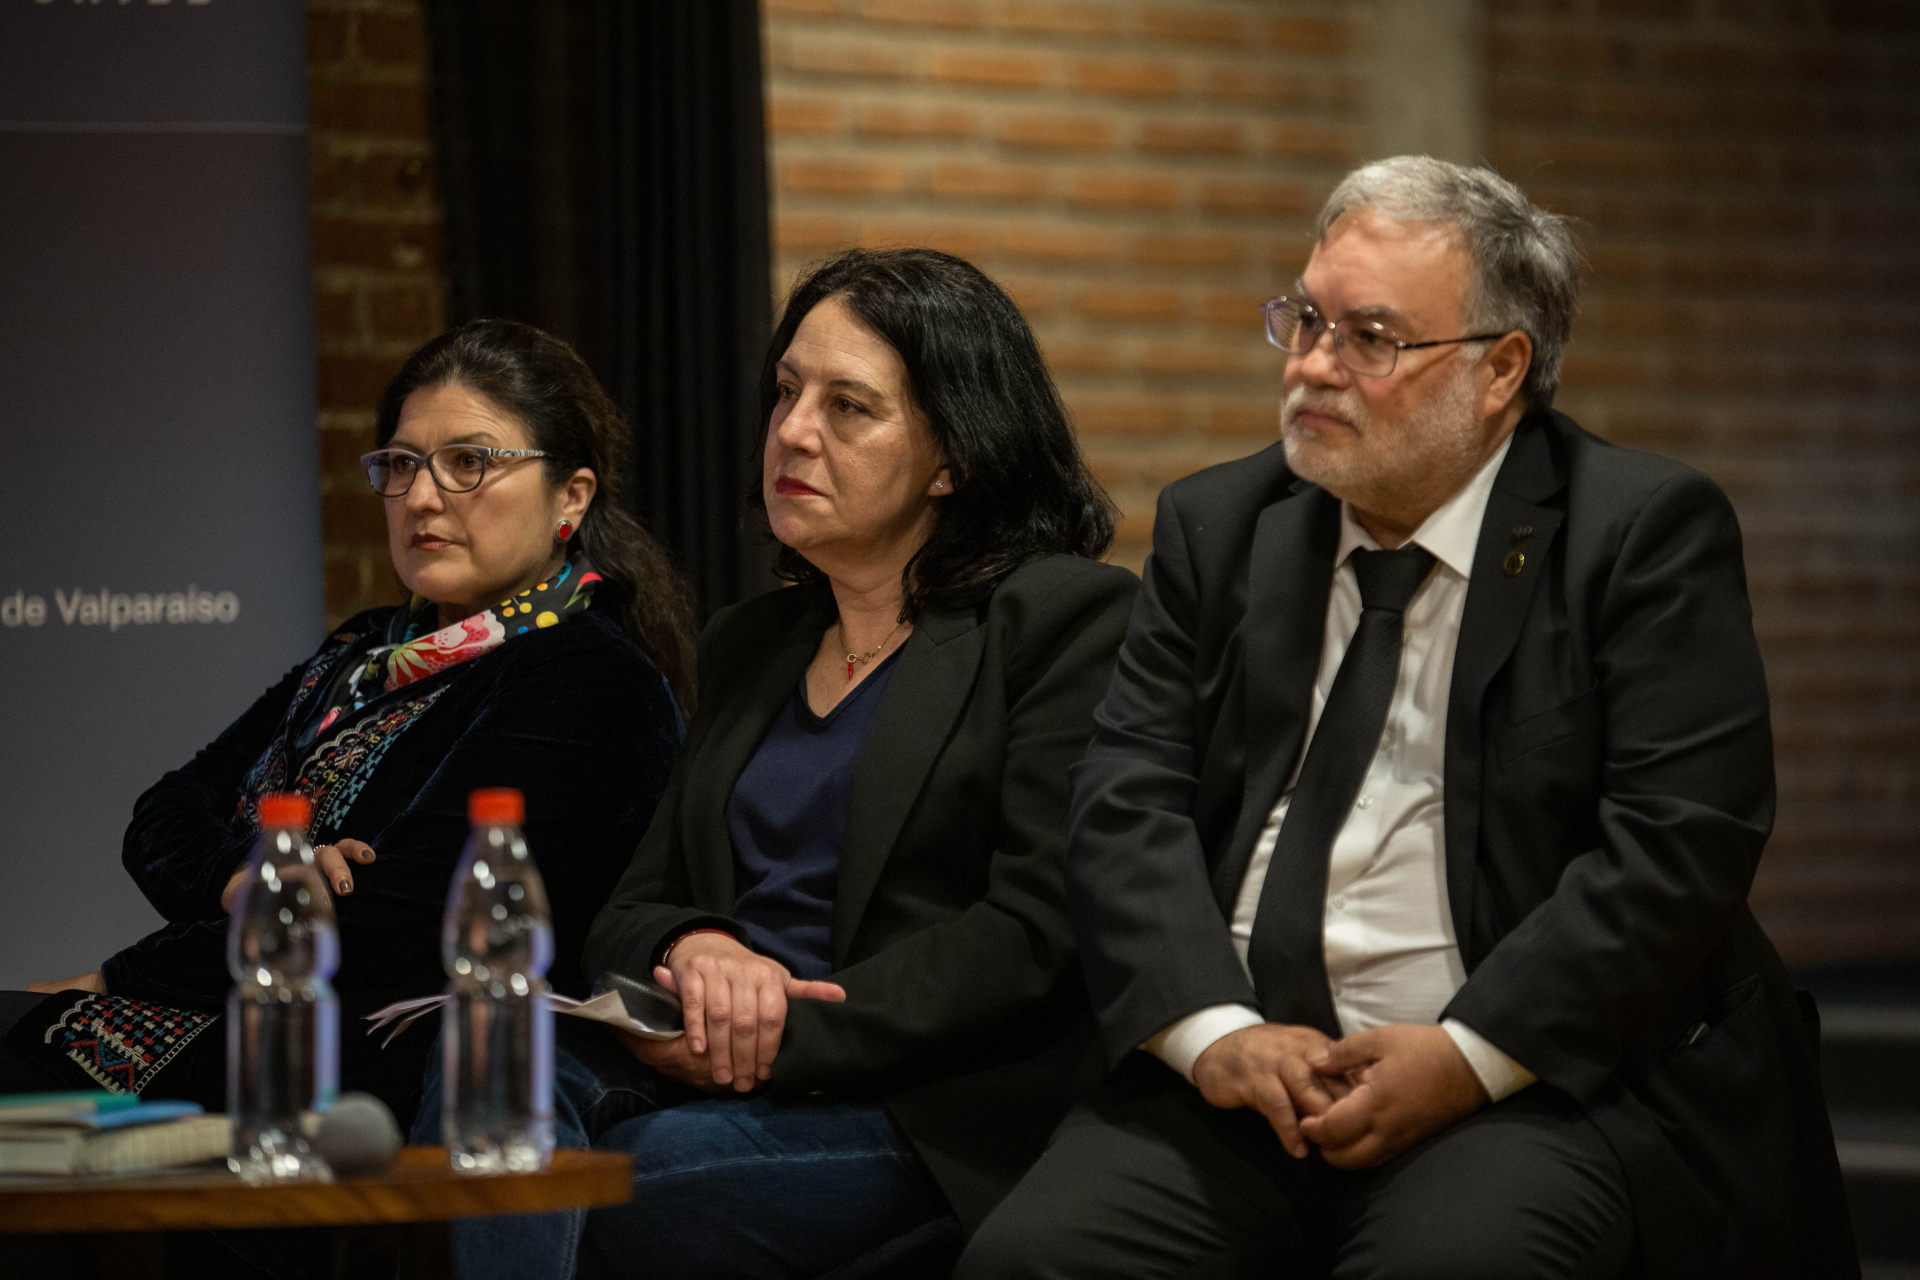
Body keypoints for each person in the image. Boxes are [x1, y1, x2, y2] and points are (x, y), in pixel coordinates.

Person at [959, 157, 1856, 1279]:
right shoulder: (1219, 525)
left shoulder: (1637, 535)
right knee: (1029, 1260)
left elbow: (1679, 848)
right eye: (1305, 320)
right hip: (1242, 1075)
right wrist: (1217, 1035)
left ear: (1500, 369)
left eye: (1370, 338)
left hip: (1530, 1079)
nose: (1312, 366)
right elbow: (1123, 803)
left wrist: (1467, 1053)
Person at [432, 247, 1138, 1280]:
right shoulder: (752, 641)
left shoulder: (1063, 620)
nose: (793, 431)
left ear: (953, 458)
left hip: (922, 1103)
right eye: (787, 391)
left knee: (631, 1184)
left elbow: (1034, 935)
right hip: (716, 1064)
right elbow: (635, 904)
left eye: (848, 407)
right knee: (486, 1066)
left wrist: (781, 1032)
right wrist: (697, 942)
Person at [1, 320, 695, 1132]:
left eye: (468, 463)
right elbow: (163, 815)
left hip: (385, 1064)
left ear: (570, 496)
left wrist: (117, 979)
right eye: (402, 465)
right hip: (245, 1008)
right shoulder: (365, 650)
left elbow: (395, 925)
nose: (422, 498)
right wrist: (251, 876)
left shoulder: (589, 678)